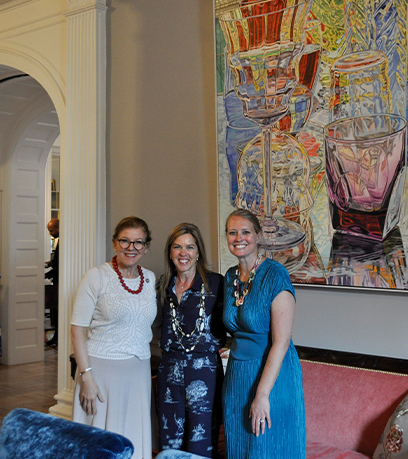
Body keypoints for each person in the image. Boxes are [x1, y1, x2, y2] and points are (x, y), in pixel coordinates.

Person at [71, 216, 157, 459]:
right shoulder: (96, 277)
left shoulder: (149, 279)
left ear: (146, 247)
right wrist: (86, 377)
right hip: (101, 374)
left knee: (132, 437)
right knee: (100, 443)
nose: (131, 247)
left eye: (138, 242)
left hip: (138, 374)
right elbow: (77, 329)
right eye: (125, 241)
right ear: (114, 243)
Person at [222, 209, 306, 458]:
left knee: (267, 448)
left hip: (271, 379)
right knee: (239, 448)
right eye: (232, 232)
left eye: (246, 232)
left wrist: (262, 394)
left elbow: (281, 342)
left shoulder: (275, 275)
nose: (239, 238)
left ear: (258, 236)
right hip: (237, 378)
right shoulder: (230, 277)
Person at [155, 223, 225, 458]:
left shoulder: (216, 283)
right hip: (168, 370)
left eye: (189, 247)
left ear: (198, 252)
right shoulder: (163, 284)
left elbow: (233, 324)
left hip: (204, 373)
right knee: (169, 441)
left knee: (200, 441)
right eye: (177, 247)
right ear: (170, 252)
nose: (183, 253)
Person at [44, 218, 59, 347]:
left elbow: (59, 266)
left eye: (51, 230)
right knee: (55, 311)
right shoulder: (58, 241)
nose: (50, 233)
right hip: (56, 281)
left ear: (58, 228)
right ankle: (55, 336)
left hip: (59, 283)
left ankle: (57, 337)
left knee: (57, 311)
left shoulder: (63, 242)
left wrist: (45, 275)